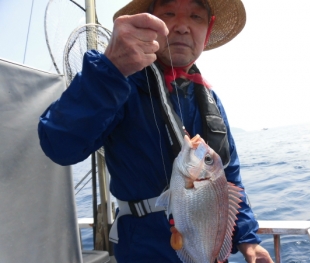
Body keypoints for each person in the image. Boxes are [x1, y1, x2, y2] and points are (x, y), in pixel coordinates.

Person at [38, 0, 274, 262]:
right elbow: (59, 144)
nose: (182, 26)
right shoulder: (118, 82)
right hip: (144, 251)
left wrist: (248, 240)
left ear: (208, 29)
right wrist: (110, 69)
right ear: (149, 23)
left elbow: (228, 180)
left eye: (196, 16)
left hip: (206, 248)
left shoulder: (210, 99)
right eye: (169, 13)